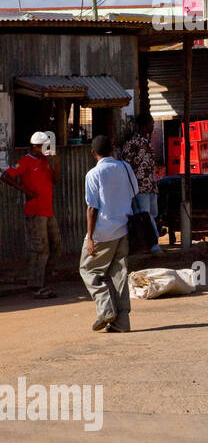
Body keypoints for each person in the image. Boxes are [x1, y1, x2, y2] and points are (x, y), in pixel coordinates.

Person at [81, 135, 137, 332]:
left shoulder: (93, 174)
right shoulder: (125, 168)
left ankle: (106, 311)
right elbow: (133, 194)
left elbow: (92, 208)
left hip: (103, 232)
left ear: (93, 153)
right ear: (112, 149)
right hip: (123, 228)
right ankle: (122, 323)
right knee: (118, 275)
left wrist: (90, 238)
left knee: (89, 270)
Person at [2, 131, 60, 299]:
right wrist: (25, 190)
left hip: (48, 210)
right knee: (40, 249)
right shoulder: (26, 161)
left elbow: (56, 180)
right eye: (43, 147)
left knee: (56, 247)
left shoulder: (45, 161)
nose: (46, 149)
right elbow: (6, 176)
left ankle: (44, 281)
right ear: (35, 147)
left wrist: (55, 161)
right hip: (35, 211)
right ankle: (37, 285)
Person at [119, 114, 160, 251]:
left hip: (151, 185)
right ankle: (154, 245)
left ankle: (149, 243)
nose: (153, 126)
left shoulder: (146, 141)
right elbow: (125, 163)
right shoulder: (133, 143)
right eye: (151, 123)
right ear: (145, 125)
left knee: (152, 214)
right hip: (140, 186)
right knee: (145, 215)